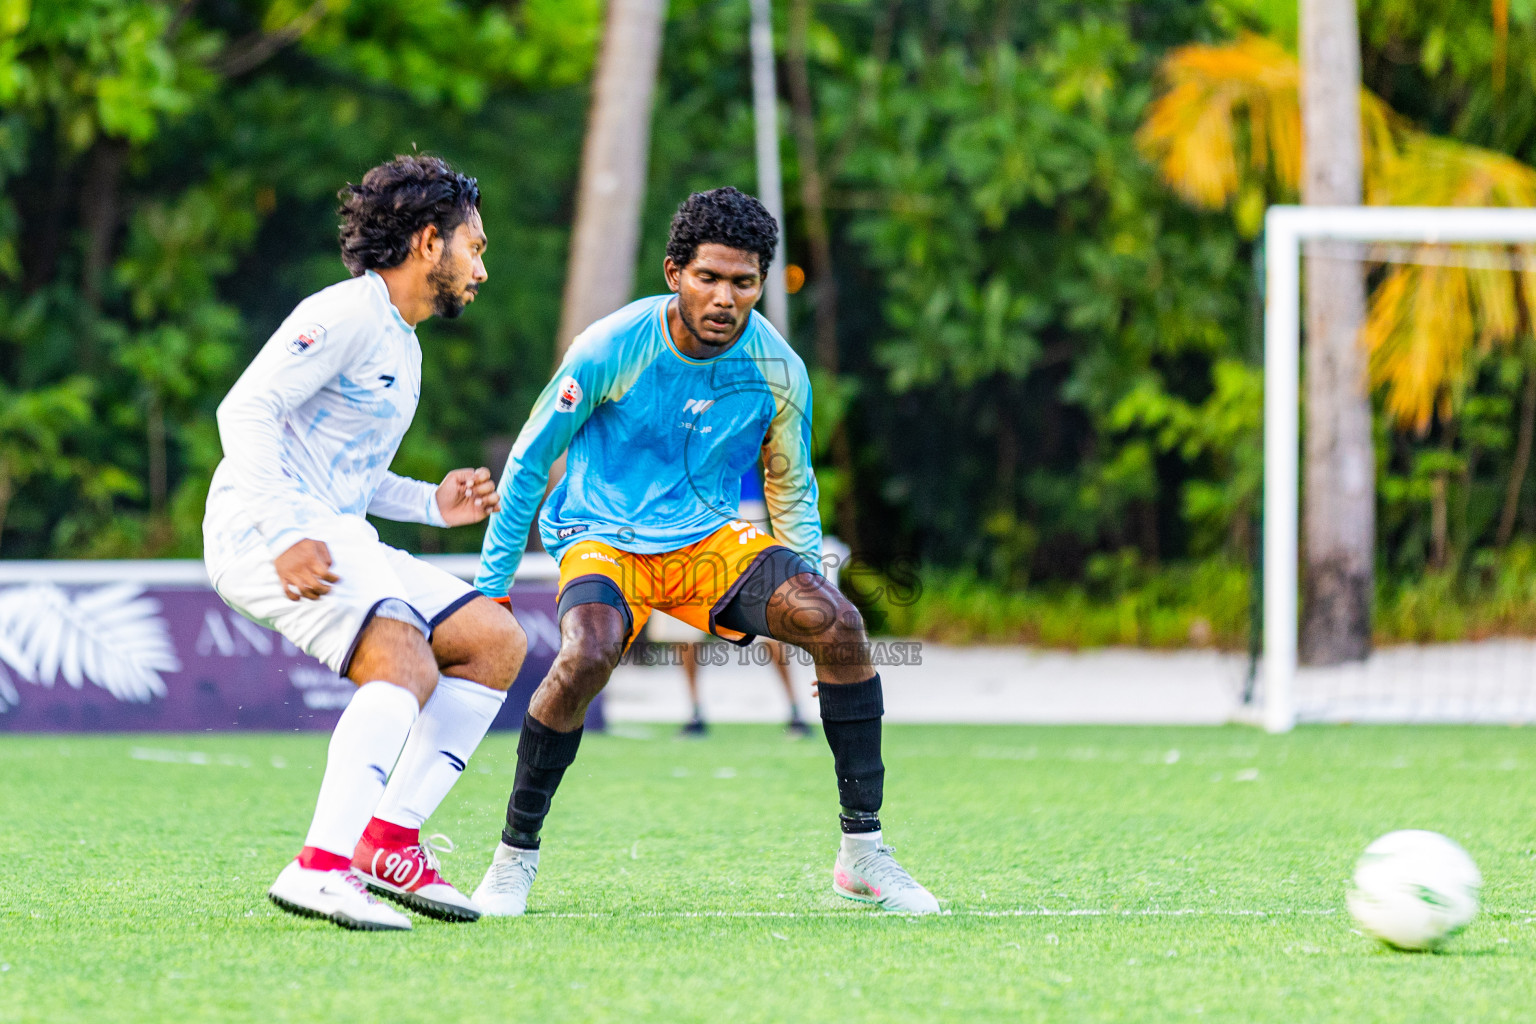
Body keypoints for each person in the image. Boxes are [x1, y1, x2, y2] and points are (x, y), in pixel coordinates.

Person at [469, 187, 938, 916]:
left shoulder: (778, 369)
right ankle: (511, 862)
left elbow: (791, 484)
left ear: (762, 284)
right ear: (673, 273)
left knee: (841, 625)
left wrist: (812, 604)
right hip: (603, 538)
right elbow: (529, 465)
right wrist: (492, 591)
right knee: (587, 655)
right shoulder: (609, 347)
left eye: (743, 281)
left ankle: (864, 858)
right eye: (708, 277)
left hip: (707, 544)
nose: (725, 297)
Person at [203, 155, 526, 932]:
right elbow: (243, 411)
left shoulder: (403, 344)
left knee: (493, 640)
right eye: (474, 246)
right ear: (427, 243)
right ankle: (320, 867)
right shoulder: (347, 312)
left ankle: (388, 843)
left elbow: (349, 471)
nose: (483, 265)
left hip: (331, 528)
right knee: (403, 660)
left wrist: (432, 505)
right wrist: (283, 534)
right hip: (261, 529)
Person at [657, 467, 810, 738]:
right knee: (680, 615)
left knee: (767, 610)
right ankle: (694, 711)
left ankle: (795, 708)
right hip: (683, 507)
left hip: (740, 504)